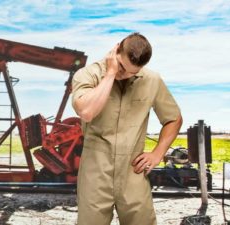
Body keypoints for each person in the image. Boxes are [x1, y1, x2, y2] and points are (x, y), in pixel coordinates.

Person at [71, 33, 183, 225]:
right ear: (116, 50)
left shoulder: (152, 80)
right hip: (96, 171)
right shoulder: (88, 74)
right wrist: (111, 74)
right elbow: (87, 112)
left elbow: (174, 119)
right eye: (122, 67)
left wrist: (157, 154)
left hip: (134, 172)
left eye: (133, 72)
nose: (126, 75)